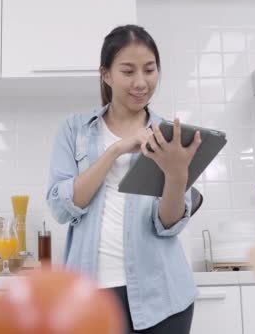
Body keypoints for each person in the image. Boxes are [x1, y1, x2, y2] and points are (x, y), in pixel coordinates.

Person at [46, 24, 201, 333]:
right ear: (106, 74)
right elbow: (61, 208)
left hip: (163, 299)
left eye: (149, 70)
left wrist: (176, 174)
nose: (141, 82)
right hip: (90, 299)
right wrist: (115, 150)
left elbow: (168, 224)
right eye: (128, 71)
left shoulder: (170, 137)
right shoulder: (75, 130)